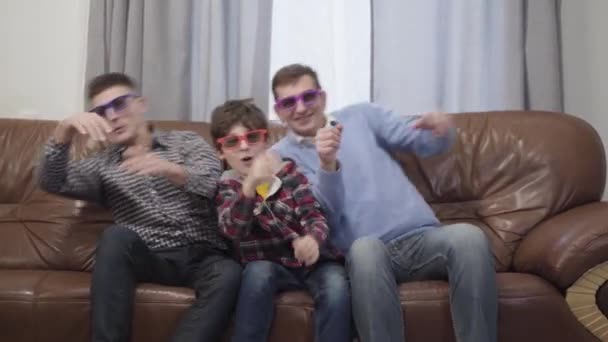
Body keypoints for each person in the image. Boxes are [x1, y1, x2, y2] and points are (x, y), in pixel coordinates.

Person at [270, 64, 497, 342]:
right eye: (289, 102)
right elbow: (321, 215)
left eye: (309, 97)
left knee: (470, 237)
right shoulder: (278, 159)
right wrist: (326, 164)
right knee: (365, 250)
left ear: (323, 97)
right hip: (365, 252)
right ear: (279, 111)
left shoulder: (362, 116)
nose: (301, 108)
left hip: (422, 237)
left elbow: (420, 141)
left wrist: (441, 130)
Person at [38, 72, 241, 342]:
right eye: (101, 111)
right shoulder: (102, 164)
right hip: (148, 255)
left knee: (230, 273)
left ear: (141, 104)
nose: (112, 116)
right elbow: (52, 182)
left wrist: (172, 170)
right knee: (115, 236)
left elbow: (213, 183)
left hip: (202, 253)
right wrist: (63, 132)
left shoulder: (187, 142)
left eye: (120, 104)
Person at [210, 98, 351, 342]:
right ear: (220, 151)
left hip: (311, 265)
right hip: (268, 263)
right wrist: (250, 186)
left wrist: (313, 239)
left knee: (336, 284)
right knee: (257, 273)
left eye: (252, 138)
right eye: (233, 142)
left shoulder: (288, 173)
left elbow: (313, 214)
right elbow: (232, 230)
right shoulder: (228, 186)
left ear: (266, 141)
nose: (244, 147)